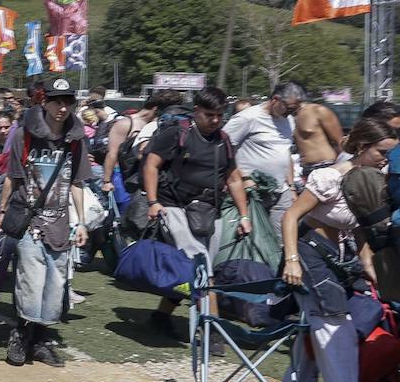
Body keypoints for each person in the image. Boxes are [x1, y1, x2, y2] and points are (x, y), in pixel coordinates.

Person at [279, 117, 398, 382]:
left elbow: (359, 226)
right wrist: (291, 261)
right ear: (362, 147)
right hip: (309, 253)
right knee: (336, 331)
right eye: (381, 152)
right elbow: (290, 217)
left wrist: (368, 263)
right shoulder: (329, 177)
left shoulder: (373, 179)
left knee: (324, 328)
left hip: (341, 257)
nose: (386, 159)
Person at [142, 87, 250, 345]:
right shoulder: (176, 134)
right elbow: (151, 165)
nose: (215, 120)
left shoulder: (223, 141)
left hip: (207, 211)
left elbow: (234, 179)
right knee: (202, 267)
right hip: (174, 206)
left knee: (196, 267)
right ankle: (212, 331)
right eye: (209, 115)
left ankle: (160, 316)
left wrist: (245, 216)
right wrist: (153, 201)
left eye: (219, 115)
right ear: (197, 111)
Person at [0, 78, 90, 367]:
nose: (62, 107)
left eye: (68, 101)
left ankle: (39, 340)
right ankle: (20, 336)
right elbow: (12, 178)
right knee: (30, 282)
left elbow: (76, 182)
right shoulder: (24, 135)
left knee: (55, 286)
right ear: (44, 101)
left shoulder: (76, 140)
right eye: (56, 100)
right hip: (29, 219)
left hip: (60, 222)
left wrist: (82, 222)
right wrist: (1, 213)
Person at [224, 81, 304, 229]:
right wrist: (244, 177)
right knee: (256, 241)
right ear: (275, 100)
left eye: (295, 110)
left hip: (281, 192)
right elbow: (224, 148)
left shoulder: (289, 121)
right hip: (252, 192)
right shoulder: (248, 118)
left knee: (283, 240)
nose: (291, 113)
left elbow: (285, 154)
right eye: (290, 108)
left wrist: (291, 187)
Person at [102, 90, 184, 197]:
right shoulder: (126, 123)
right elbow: (112, 153)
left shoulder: (163, 125)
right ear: (156, 109)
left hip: (153, 180)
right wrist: (107, 182)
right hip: (123, 177)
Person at [295, 101, 344, 179]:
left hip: (325, 167)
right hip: (304, 170)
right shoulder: (287, 118)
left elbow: (339, 142)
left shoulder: (318, 111)